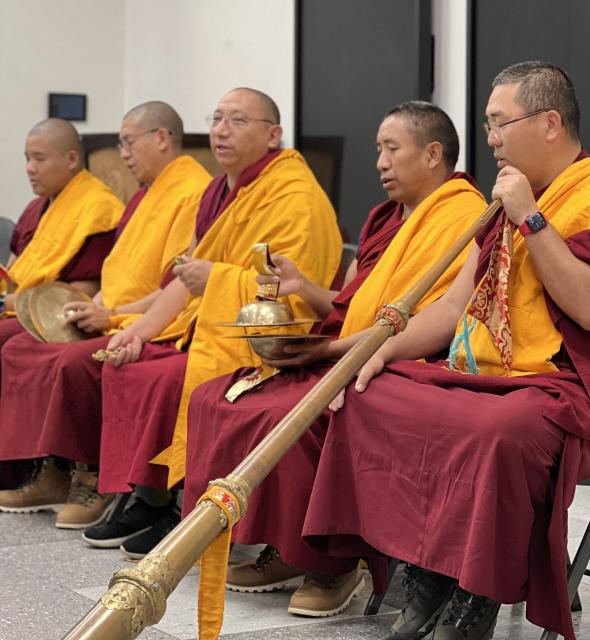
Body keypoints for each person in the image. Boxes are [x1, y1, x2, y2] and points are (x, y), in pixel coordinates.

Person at [295, 62, 590, 640]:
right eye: (487, 124)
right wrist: (380, 352)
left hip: (577, 383)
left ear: (550, 122)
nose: (490, 139)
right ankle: (427, 570)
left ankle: (479, 589)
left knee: (498, 430)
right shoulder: (504, 198)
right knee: (371, 395)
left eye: (500, 123)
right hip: (496, 374)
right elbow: (454, 309)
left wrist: (530, 216)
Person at [181, 101, 487, 622]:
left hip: (404, 359)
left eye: (391, 149)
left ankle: (336, 562)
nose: (380, 163)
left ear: (434, 154)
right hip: (349, 345)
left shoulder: (461, 216)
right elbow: (350, 305)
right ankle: (285, 547)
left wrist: (327, 351)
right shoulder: (384, 217)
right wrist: (305, 291)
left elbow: (429, 321)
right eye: (377, 151)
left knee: (296, 412)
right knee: (222, 395)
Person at [53, 87, 341, 557]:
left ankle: (180, 505)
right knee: (130, 361)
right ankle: (149, 497)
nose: (221, 130)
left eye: (237, 121)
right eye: (217, 118)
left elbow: (287, 296)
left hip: (259, 338)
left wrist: (218, 279)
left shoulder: (294, 195)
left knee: (165, 377)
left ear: (274, 134)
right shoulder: (217, 191)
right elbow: (186, 282)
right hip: (205, 323)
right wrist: (134, 329)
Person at [0, 101, 211, 529]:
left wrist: (111, 315)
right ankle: (49, 469)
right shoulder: (143, 194)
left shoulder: (194, 191)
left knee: (73, 360)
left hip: (151, 319)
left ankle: (90, 477)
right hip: (113, 311)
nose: (123, 153)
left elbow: (175, 284)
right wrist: (99, 309)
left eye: (128, 142)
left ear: (162, 139)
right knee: (23, 346)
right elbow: (117, 270)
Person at [0, 118, 123, 490]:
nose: (29, 168)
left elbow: (88, 284)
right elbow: (19, 267)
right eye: (26, 158)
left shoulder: (98, 207)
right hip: (20, 303)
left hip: (60, 312)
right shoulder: (38, 209)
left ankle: (25, 467)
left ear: (72, 158)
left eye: (38, 158)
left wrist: (19, 300)